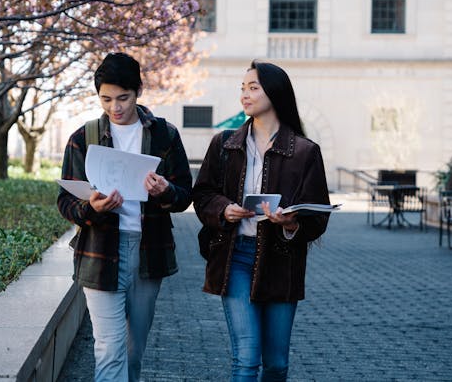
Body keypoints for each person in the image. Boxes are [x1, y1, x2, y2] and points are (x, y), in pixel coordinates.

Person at [57, 52, 192, 382]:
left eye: (123, 98)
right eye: (106, 99)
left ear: (138, 92)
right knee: (108, 347)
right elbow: (65, 201)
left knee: (133, 348)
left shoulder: (165, 135)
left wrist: (165, 192)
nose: (115, 107)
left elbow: (185, 195)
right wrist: (92, 208)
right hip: (100, 252)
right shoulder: (83, 138)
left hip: (148, 251)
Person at [192, 60, 330, 382]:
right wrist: (224, 209)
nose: (245, 94)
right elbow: (202, 194)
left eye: (253, 87)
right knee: (246, 359)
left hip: (282, 262)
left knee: (277, 364)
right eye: (243, 88)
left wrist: (291, 223)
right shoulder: (225, 144)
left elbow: (319, 216)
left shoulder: (305, 152)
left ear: (275, 92)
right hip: (235, 255)